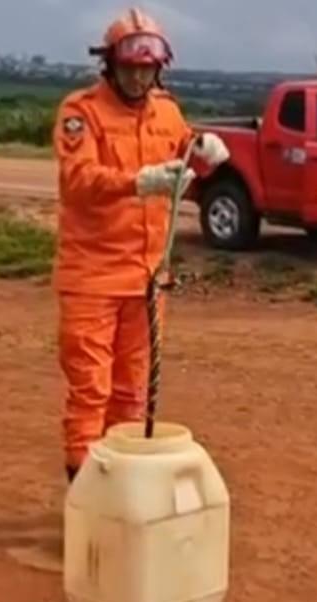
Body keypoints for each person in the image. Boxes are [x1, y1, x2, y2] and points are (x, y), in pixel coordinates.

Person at [52, 7, 230, 483]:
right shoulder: (80, 113)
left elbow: (184, 152)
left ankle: (122, 493)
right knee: (91, 390)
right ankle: (84, 499)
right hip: (92, 276)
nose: (137, 78)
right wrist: (138, 181)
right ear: (110, 64)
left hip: (148, 279)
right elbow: (78, 180)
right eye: (130, 68)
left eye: (146, 69)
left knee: (132, 394)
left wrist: (207, 151)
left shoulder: (167, 111)